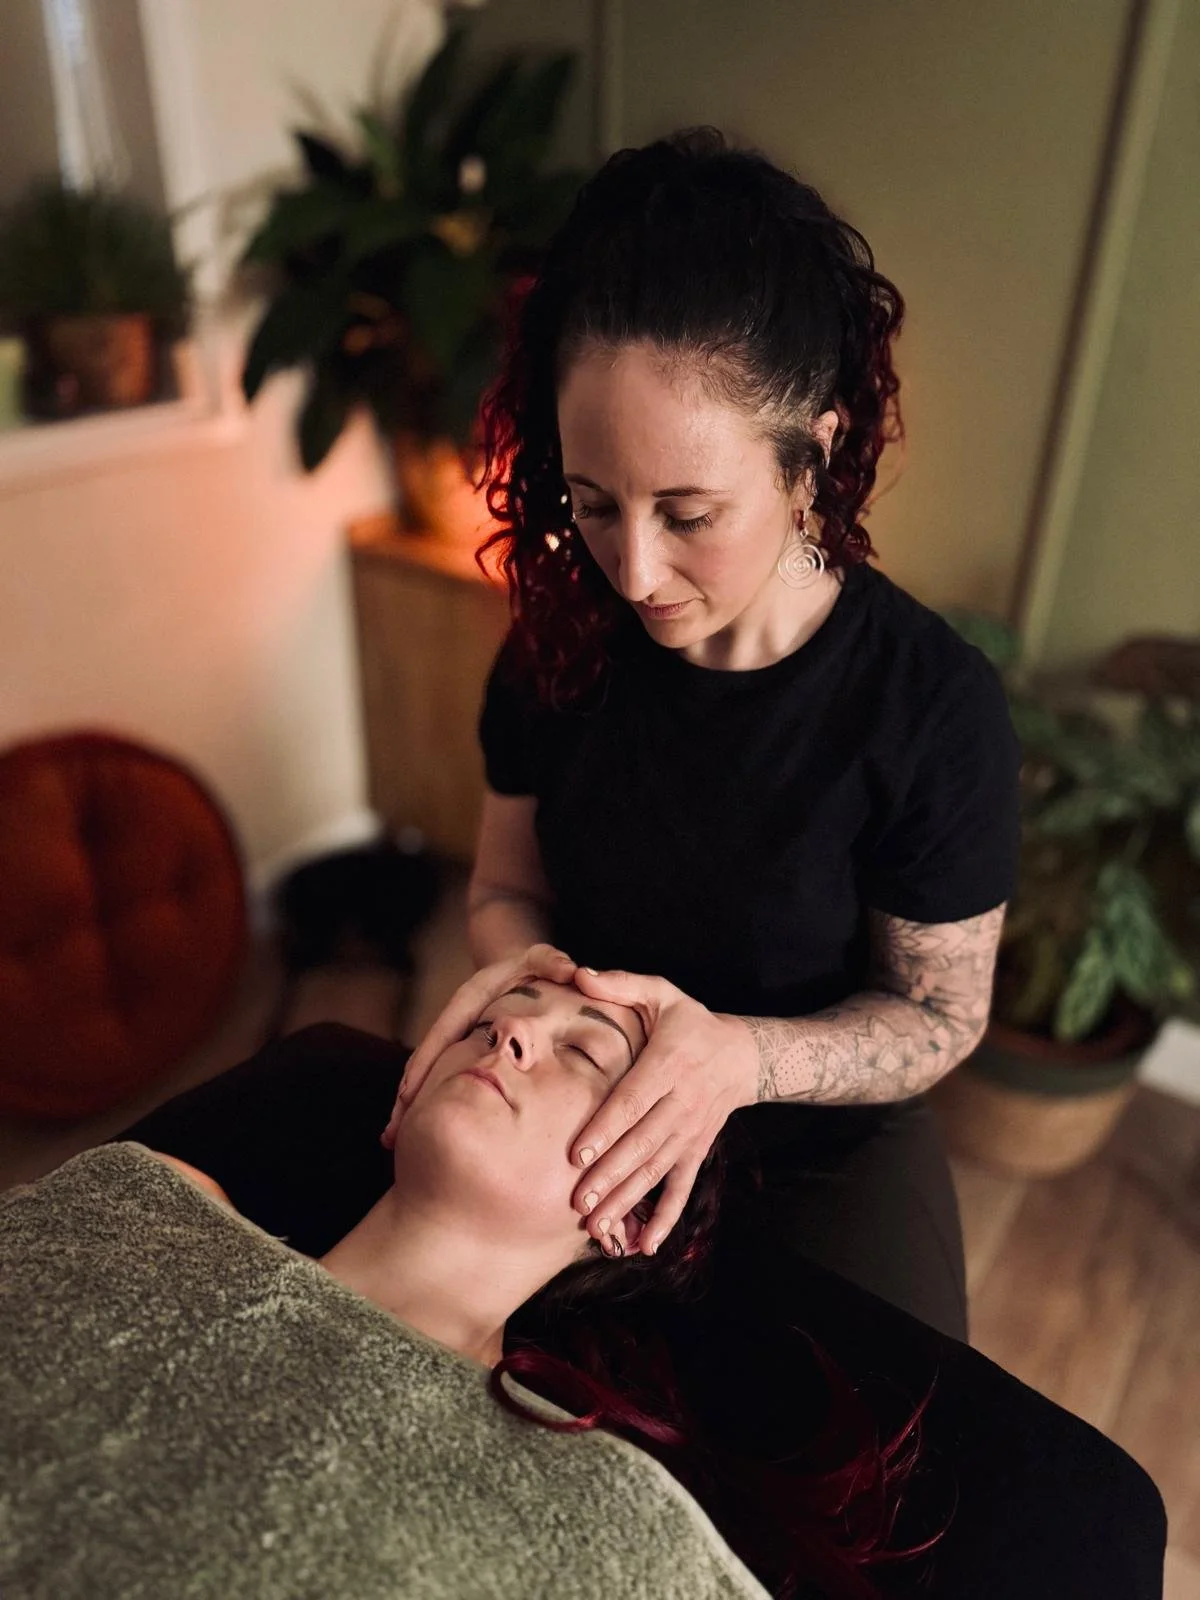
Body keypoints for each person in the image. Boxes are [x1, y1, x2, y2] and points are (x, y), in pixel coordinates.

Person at [391, 126, 1022, 1341]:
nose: (633, 570)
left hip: (811, 1138)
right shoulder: (559, 647)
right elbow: (506, 889)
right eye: (590, 506)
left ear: (813, 459)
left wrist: (734, 1061)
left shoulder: (929, 710)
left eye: (689, 513)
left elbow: (938, 1017)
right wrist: (521, 979)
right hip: (582, 1101)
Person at [117, 992, 1165, 1599]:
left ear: (629, 1211)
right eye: (488, 1026)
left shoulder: (595, 1513)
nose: (509, 1034)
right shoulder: (160, 1198)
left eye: (581, 1050)